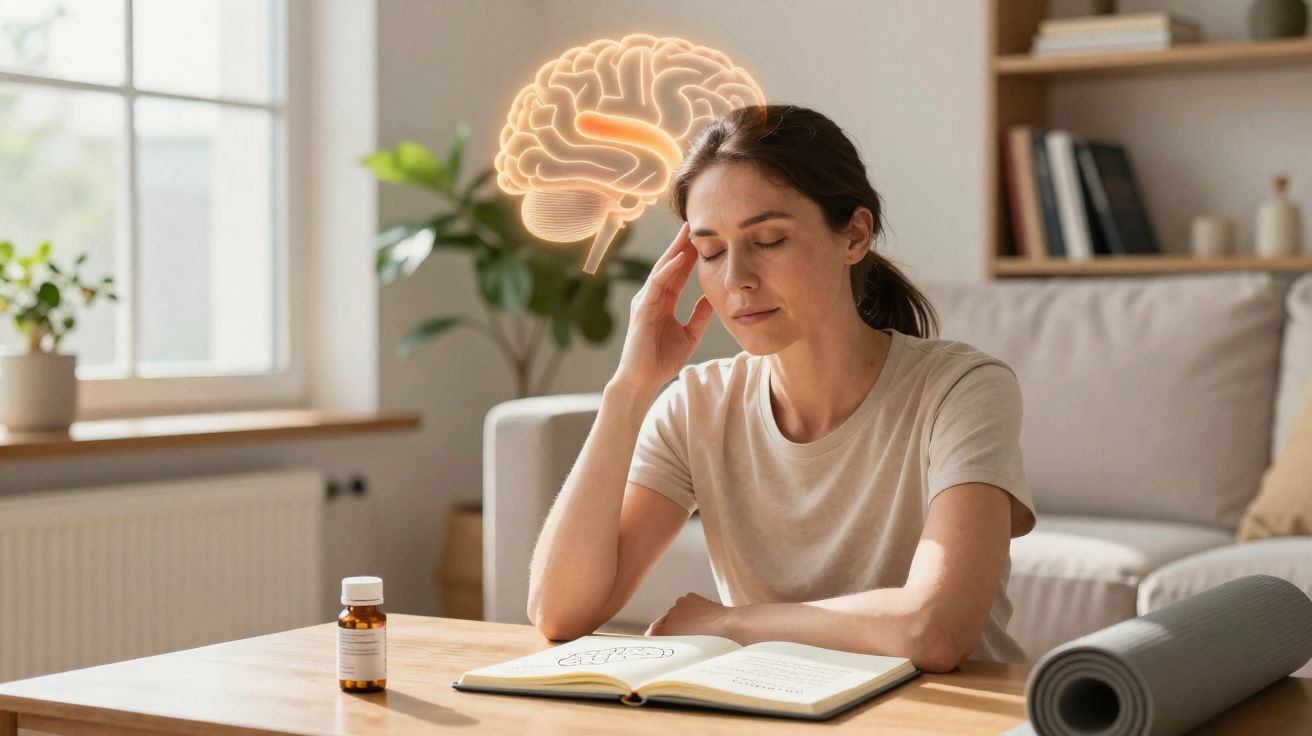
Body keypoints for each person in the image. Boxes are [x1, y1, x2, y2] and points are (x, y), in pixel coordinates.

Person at [525, 103, 1037, 673]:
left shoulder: (961, 390)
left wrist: (727, 623)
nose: (736, 278)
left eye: (768, 240)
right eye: (712, 251)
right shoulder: (696, 405)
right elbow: (559, 612)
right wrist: (629, 390)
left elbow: (935, 629)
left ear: (855, 235)